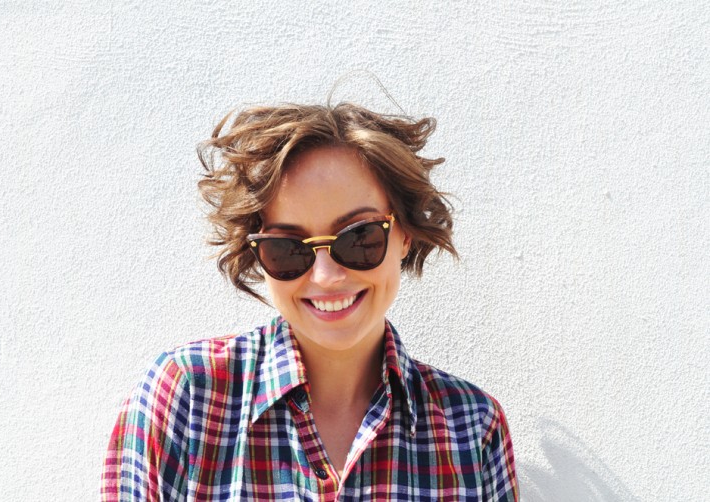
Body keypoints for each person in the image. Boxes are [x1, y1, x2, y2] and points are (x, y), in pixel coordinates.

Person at [102, 102, 519, 501]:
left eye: (359, 237)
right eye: (287, 248)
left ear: (404, 234)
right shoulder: (186, 397)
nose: (325, 276)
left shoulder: (472, 428)